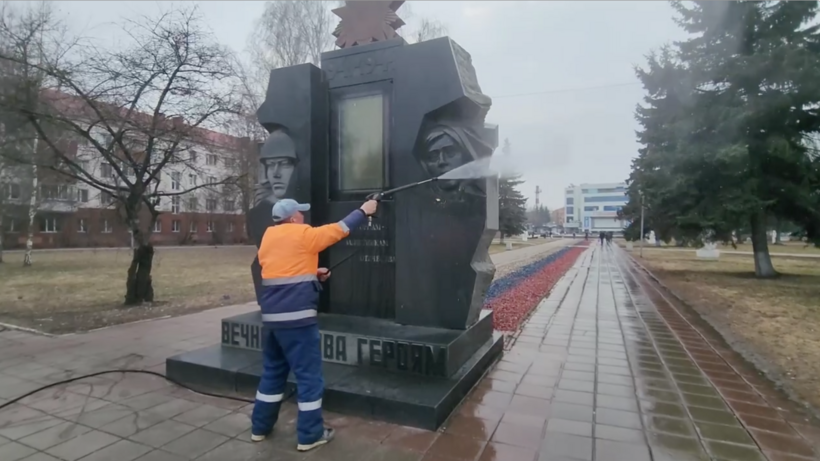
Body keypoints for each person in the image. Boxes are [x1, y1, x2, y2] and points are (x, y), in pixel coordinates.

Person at [250, 197, 378, 452]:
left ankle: (259, 428)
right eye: (300, 213)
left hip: (273, 321)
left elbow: (282, 269)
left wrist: (313, 273)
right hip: (298, 321)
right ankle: (310, 435)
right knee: (309, 377)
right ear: (293, 217)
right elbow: (339, 229)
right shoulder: (303, 234)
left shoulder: (269, 237)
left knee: (273, 373)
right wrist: (364, 211)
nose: (303, 216)